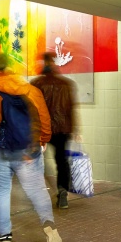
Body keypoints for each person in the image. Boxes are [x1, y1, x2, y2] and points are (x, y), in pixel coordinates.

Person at [0, 51, 61, 242]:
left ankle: (4, 234)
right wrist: (43, 139)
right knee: (36, 189)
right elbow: (43, 117)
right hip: (27, 148)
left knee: (0, 191)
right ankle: (49, 225)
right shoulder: (28, 89)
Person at [30, 52, 80, 208]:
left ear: (43, 63)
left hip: (42, 130)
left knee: (36, 162)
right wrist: (75, 129)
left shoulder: (36, 84)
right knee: (61, 161)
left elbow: (31, 109)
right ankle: (62, 190)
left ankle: (40, 195)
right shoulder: (67, 84)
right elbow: (72, 108)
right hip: (63, 130)